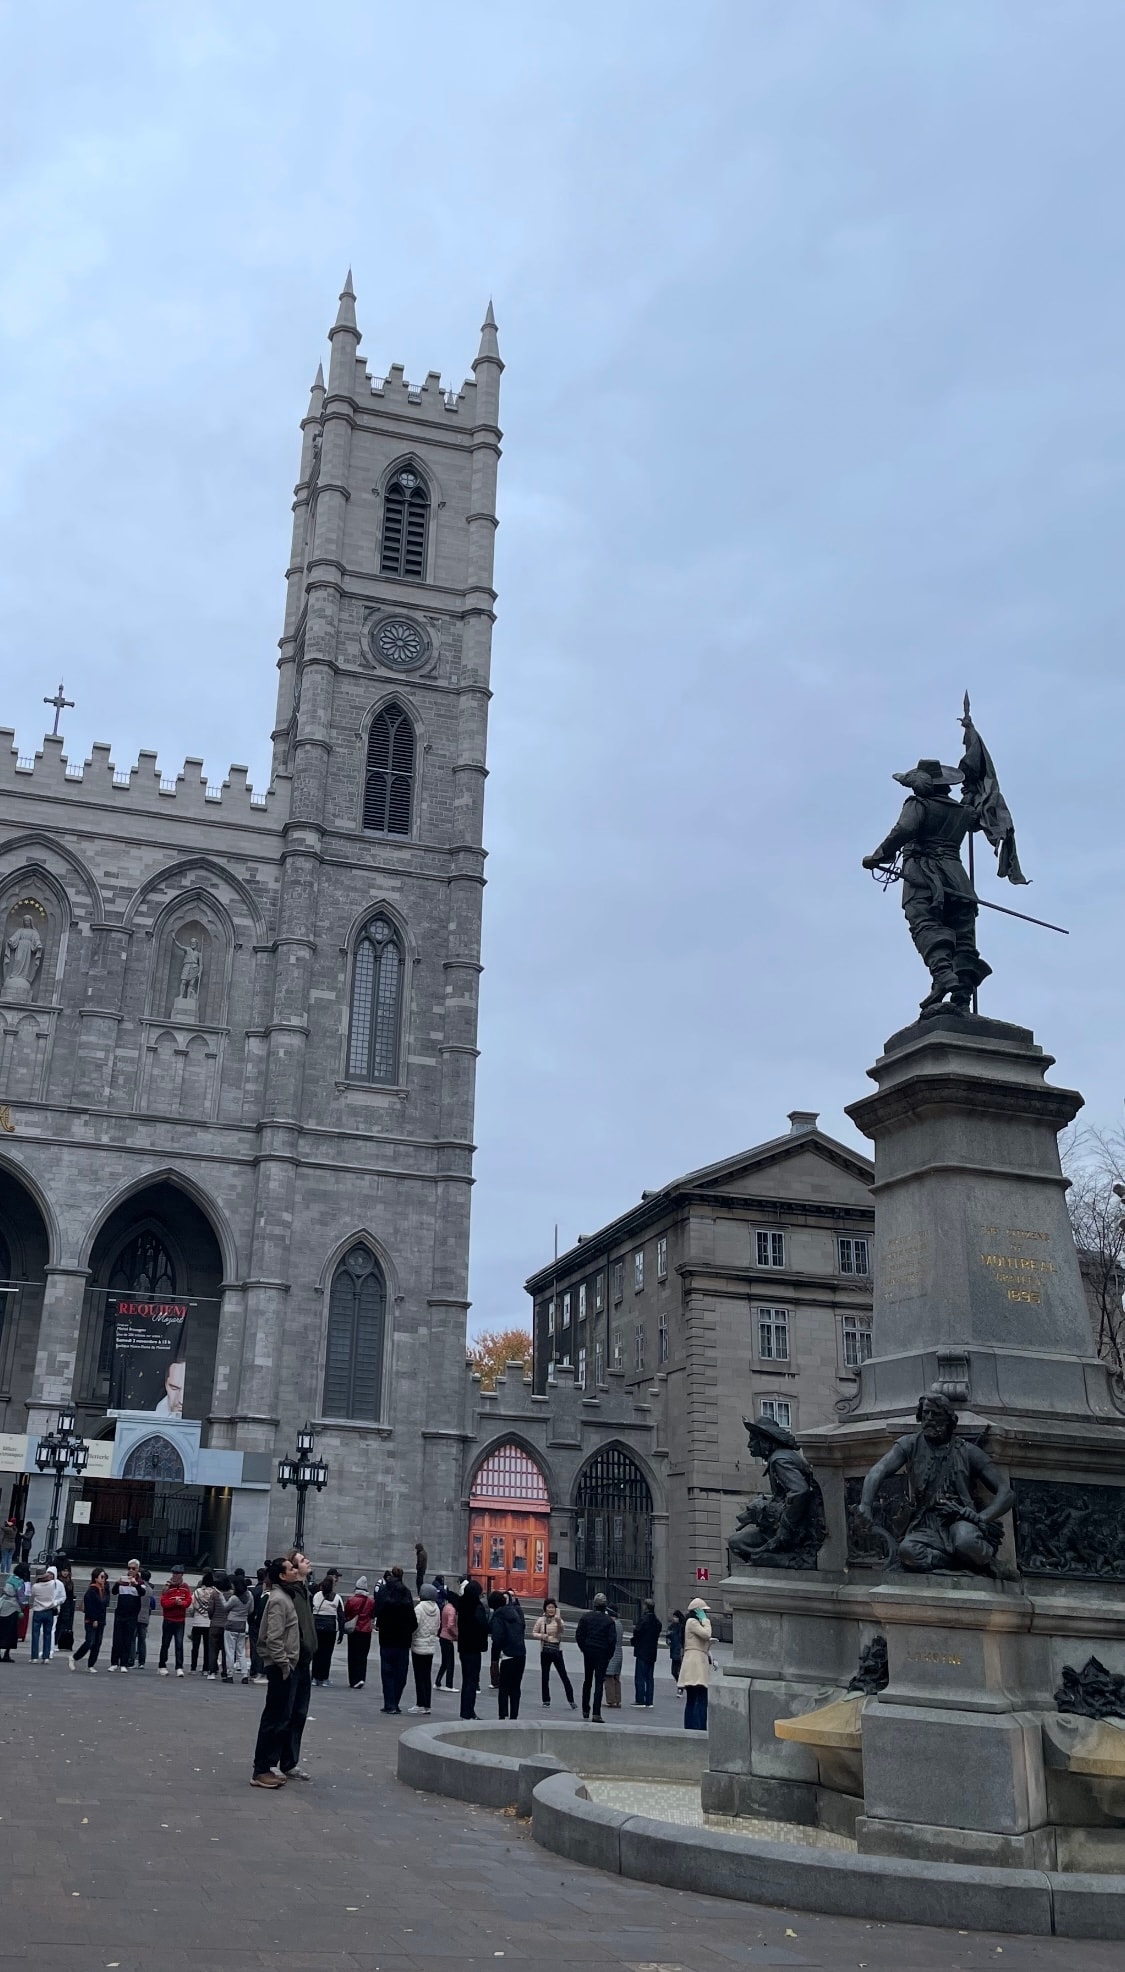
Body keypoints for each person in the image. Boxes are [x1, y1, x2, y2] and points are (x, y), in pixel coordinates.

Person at [250, 1555, 300, 1788]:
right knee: (273, 1717)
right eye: (291, 1568)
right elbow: (273, 1636)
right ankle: (260, 1769)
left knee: (279, 1716)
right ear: (282, 1575)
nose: (295, 1570)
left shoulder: (285, 1596)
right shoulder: (279, 1599)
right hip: (280, 1666)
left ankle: (267, 1766)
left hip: (283, 1665)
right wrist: (283, 1664)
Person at [279, 1547, 317, 1780]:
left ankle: (290, 1761)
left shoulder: (305, 1592)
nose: (307, 1562)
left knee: (300, 1713)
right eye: (302, 1560)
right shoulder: (290, 1594)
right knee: (286, 1713)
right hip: (292, 1661)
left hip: (305, 1662)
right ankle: (276, 1761)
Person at [375, 1565, 417, 1714]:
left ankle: (389, 1703)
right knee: (400, 1673)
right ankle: (395, 1702)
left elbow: (377, 1612)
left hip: (386, 1639)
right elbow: (413, 1621)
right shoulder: (406, 1593)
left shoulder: (384, 1592)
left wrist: (381, 1625)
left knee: (387, 1673)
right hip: (402, 1641)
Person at [574, 1592, 617, 1723]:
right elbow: (612, 1641)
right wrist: (608, 1655)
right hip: (602, 1653)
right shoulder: (609, 1621)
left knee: (587, 1680)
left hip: (589, 1651)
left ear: (594, 1604)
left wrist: (584, 1649)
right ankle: (596, 1713)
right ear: (605, 1606)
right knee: (599, 1682)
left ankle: (585, 1709)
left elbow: (579, 1635)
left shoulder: (586, 1617)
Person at [487, 1589, 526, 1720]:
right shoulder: (515, 1612)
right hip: (520, 1653)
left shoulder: (498, 1616)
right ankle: (514, 1715)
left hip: (507, 1654)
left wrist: (494, 1660)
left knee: (504, 1687)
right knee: (516, 1687)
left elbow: (498, 1638)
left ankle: (503, 1715)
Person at [533, 1597, 575, 1709]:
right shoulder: (541, 1620)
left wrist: (558, 1620)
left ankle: (571, 1700)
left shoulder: (558, 1620)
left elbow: (561, 1631)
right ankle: (546, 1700)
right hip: (545, 1650)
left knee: (563, 1675)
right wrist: (542, 1636)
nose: (551, 1609)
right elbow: (534, 1632)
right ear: (545, 1608)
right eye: (549, 1607)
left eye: (553, 1607)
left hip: (557, 1650)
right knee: (545, 1676)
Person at [456, 1578, 488, 1721]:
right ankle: (468, 1711)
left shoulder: (462, 1603)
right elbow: (482, 1625)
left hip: (463, 1646)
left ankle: (465, 1711)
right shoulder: (476, 1606)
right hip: (474, 1647)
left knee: (466, 1680)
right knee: (472, 1681)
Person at [679, 1596, 711, 1730]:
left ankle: (691, 1726)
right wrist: (705, 1620)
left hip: (694, 1660)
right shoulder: (693, 1622)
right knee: (700, 1697)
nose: (705, 1613)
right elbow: (707, 1634)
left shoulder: (690, 1622)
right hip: (695, 1662)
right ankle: (698, 1726)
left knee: (692, 1698)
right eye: (703, 1611)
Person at [408, 1583, 441, 1714]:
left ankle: (420, 1703)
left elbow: (414, 1626)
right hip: (430, 1645)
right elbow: (438, 1625)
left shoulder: (419, 1608)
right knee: (427, 1676)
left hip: (418, 1645)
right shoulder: (437, 1608)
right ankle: (427, 1704)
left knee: (419, 1675)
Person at [108, 1559, 144, 1670]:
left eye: (133, 1568)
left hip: (132, 1615)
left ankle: (124, 1663)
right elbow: (114, 1592)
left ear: (137, 1569)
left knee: (127, 1639)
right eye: (129, 1568)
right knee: (117, 1639)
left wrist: (136, 1584)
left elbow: (142, 1593)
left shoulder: (140, 1582)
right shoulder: (123, 1580)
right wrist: (117, 1583)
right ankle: (114, 1663)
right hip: (120, 1614)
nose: (131, 1570)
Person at [70, 1569, 108, 1671]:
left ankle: (91, 1665)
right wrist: (94, 1619)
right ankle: (74, 1657)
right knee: (90, 1641)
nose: (104, 1579)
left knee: (97, 1643)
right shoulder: (92, 1590)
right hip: (91, 1620)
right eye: (102, 1577)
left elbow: (105, 1605)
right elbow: (90, 1606)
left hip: (101, 1620)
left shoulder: (103, 1590)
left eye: (104, 1577)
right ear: (96, 1578)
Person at [312, 1570, 344, 1687]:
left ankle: (314, 1677)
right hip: (330, 1628)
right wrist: (341, 1633)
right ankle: (324, 1677)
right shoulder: (337, 1598)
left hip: (316, 1626)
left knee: (316, 1653)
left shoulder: (316, 1596)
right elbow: (341, 1616)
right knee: (327, 1653)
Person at [343, 1575, 375, 1689]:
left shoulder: (352, 1600)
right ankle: (361, 1678)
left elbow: (346, 1614)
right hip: (366, 1631)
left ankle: (353, 1679)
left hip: (354, 1630)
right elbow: (373, 1614)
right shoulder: (371, 1601)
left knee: (352, 1655)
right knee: (363, 1656)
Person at [158, 1565, 192, 1675]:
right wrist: (174, 1602)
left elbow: (188, 1601)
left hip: (180, 1620)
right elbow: (163, 1603)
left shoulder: (185, 1587)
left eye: (177, 1574)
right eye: (173, 1573)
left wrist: (182, 1603)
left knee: (179, 1644)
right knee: (165, 1643)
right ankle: (162, 1665)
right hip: (168, 1619)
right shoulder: (167, 1587)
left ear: (181, 1575)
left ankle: (179, 1666)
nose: (174, 1576)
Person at [631, 1599, 662, 1708]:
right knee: (649, 1677)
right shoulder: (657, 1622)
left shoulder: (643, 1620)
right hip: (652, 1652)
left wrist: (634, 1641)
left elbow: (637, 1632)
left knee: (640, 1676)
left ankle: (640, 1699)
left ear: (646, 1607)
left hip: (642, 1651)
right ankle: (649, 1700)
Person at [226, 1568, 253, 1683]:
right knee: (241, 1651)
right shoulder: (249, 1596)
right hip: (242, 1624)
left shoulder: (234, 1598)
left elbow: (225, 1607)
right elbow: (251, 1610)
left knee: (230, 1651)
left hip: (231, 1623)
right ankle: (244, 1674)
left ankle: (229, 1674)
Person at [29, 1566, 61, 1662]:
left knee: (35, 1634)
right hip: (49, 1610)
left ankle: (34, 1657)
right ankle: (46, 1656)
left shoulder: (35, 1586)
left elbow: (33, 1595)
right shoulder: (52, 1584)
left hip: (38, 1610)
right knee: (48, 1634)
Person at [207, 1570, 232, 1681]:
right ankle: (225, 1672)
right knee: (226, 1650)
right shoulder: (231, 1594)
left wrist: (212, 1617)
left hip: (215, 1624)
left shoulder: (214, 1594)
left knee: (213, 1649)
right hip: (227, 1625)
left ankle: (212, 1671)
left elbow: (210, 1609)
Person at [129, 1568, 156, 1668]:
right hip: (145, 1616)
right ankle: (142, 1662)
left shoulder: (139, 1587)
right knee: (142, 1639)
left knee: (132, 1638)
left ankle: (131, 1660)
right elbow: (152, 1604)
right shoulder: (150, 1589)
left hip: (136, 1615)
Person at [189, 1572, 215, 1672]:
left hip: (197, 1621)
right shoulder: (214, 1593)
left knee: (195, 1646)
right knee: (208, 1647)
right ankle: (206, 1668)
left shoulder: (197, 1592)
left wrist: (194, 1615)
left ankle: (193, 1667)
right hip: (209, 1622)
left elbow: (191, 1607)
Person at [248, 1566, 268, 1682]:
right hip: (263, 1622)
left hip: (254, 1622)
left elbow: (250, 1609)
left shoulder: (254, 1591)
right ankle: (260, 1669)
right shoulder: (266, 1592)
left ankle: (254, 1670)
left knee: (254, 1647)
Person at [435, 1590, 457, 1691]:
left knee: (444, 1662)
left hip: (442, 1636)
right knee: (450, 1662)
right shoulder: (452, 1610)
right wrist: (456, 1634)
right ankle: (449, 1684)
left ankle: (438, 1681)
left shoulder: (445, 1607)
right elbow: (451, 1625)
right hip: (448, 1638)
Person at [0, 1567, 23, 1662]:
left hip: (3, 1606)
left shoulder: (9, 1578)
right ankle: (7, 1654)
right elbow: (21, 1597)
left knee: (1, 1631)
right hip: (13, 1608)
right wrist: (22, 1607)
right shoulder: (20, 1582)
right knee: (11, 1632)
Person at [603, 1606, 624, 1708]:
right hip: (619, 1652)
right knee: (616, 1677)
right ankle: (617, 1699)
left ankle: (611, 1700)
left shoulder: (612, 1624)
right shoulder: (619, 1624)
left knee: (609, 1677)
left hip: (612, 1653)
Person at [54, 1562, 76, 1656]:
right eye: (64, 1571)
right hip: (59, 1604)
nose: (65, 1573)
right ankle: (54, 1642)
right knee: (57, 1624)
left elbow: (71, 1596)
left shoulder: (70, 1582)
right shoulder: (58, 1581)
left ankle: (61, 1642)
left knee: (64, 1624)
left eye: (67, 1571)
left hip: (67, 1605)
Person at [666, 1609, 685, 1683]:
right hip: (674, 1651)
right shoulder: (671, 1627)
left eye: (675, 1617)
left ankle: (681, 1686)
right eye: (673, 1617)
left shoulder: (682, 1627)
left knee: (680, 1671)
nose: (674, 1618)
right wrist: (668, 1640)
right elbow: (668, 1636)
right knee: (674, 1671)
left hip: (680, 1651)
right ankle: (680, 1683)